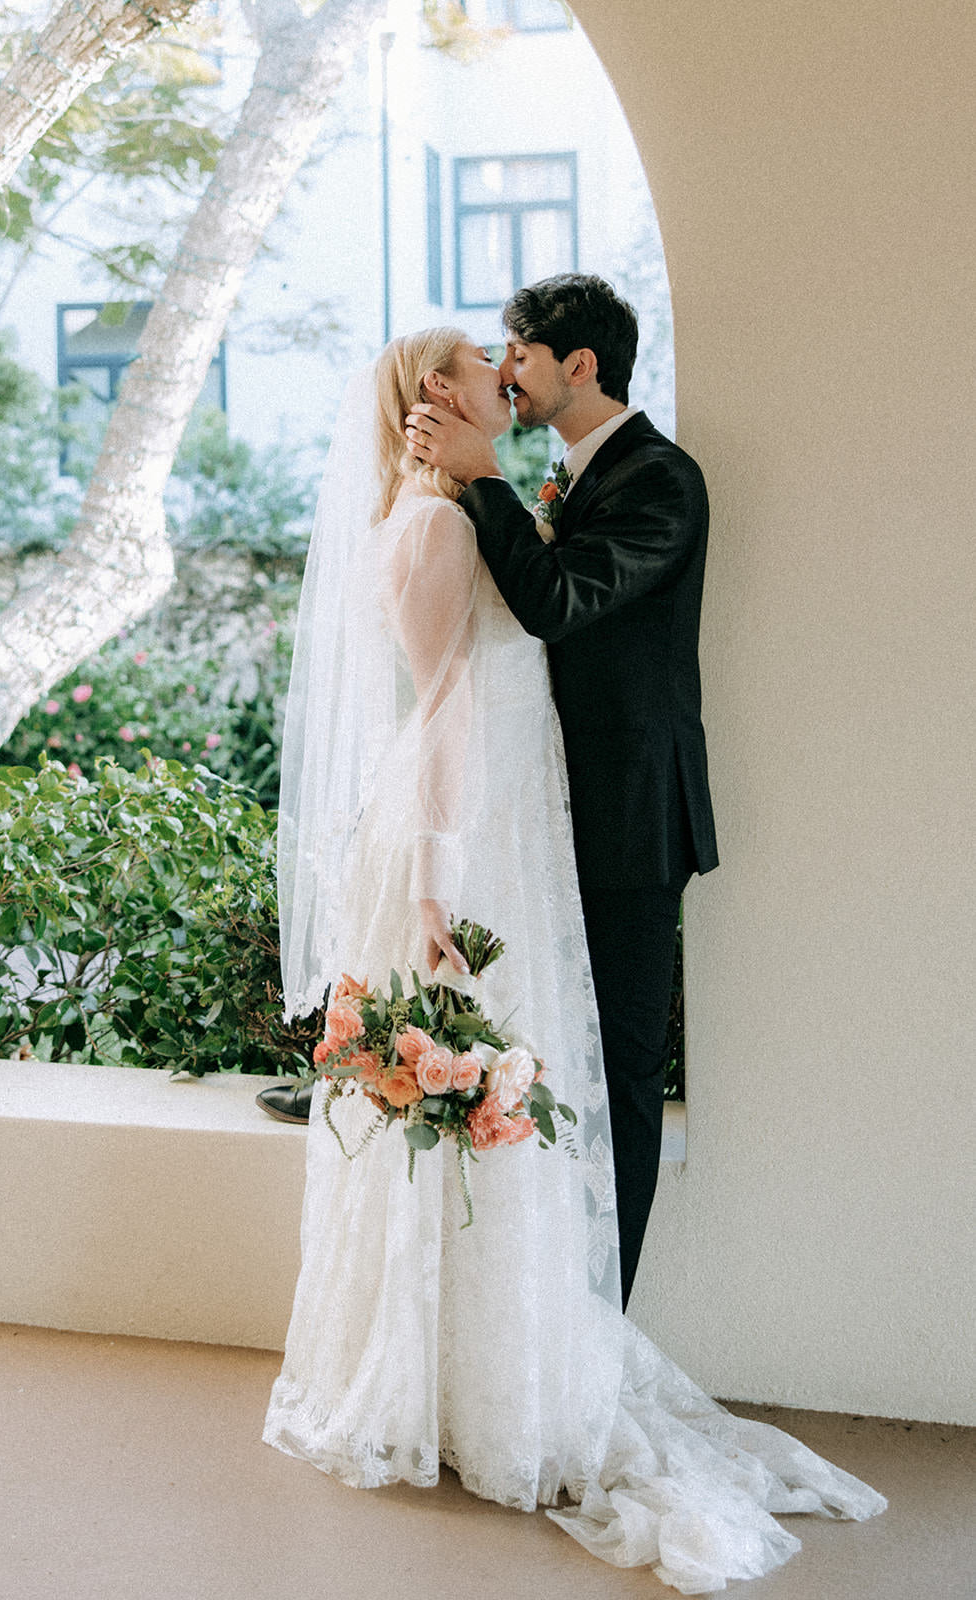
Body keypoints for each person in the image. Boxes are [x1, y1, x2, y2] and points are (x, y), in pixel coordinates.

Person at [262, 328, 885, 1592]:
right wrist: (439, 885)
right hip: (465, 845)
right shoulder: (438, 527)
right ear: (437, 397)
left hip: (509, 833)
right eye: (478, 358)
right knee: (479, 1100)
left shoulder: (519, 500)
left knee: (509, 1104)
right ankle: (460, 1382)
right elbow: (439, 703)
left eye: (516, 351)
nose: (504, 370)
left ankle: (506, 1358)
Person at [405, 273, 715, 1310]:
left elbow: (557, 604)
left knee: (620, 1078)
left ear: (579, 365)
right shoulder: (568, 479)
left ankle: (601, 1326)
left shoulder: (660, 481)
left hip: (628, 817)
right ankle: (546, 1318)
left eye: (519, 355)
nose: (503, 373)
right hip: (543, 819)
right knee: (545, 1062)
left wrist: (482, 475)